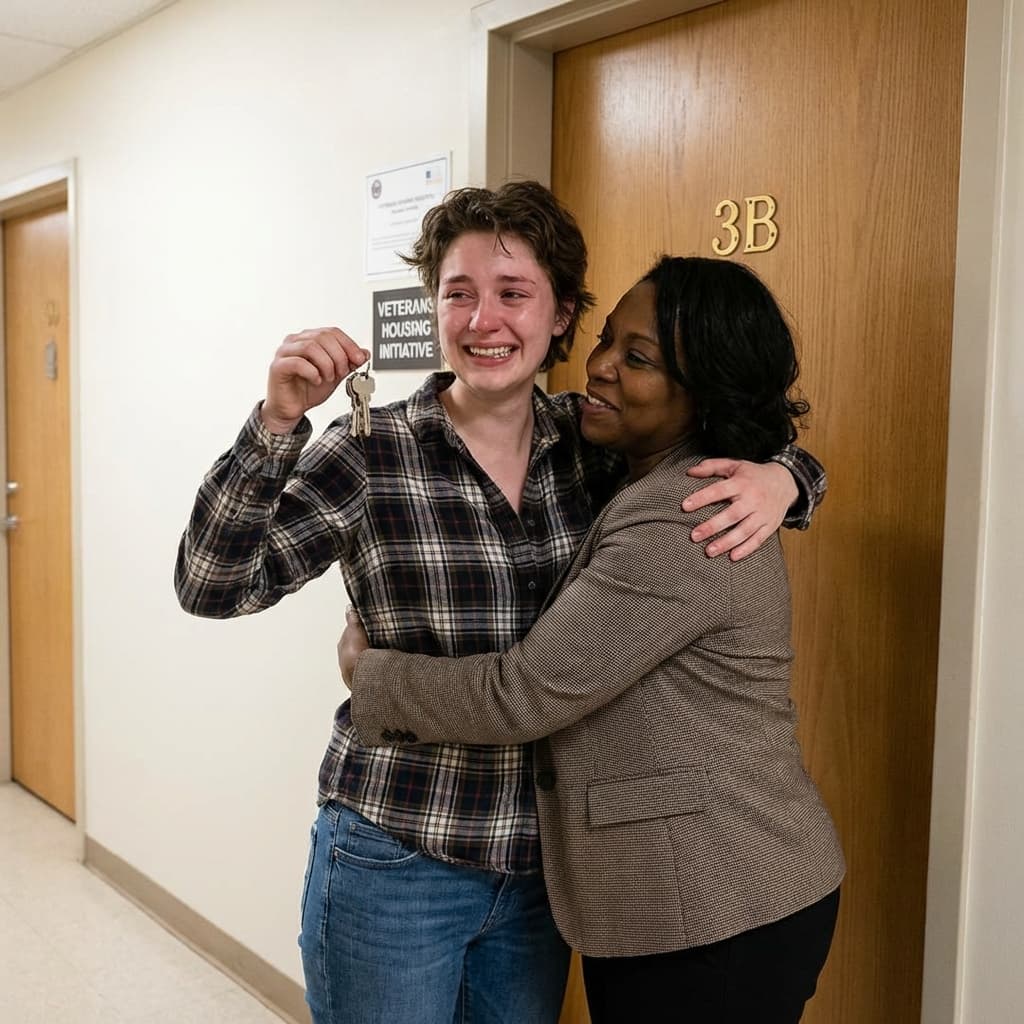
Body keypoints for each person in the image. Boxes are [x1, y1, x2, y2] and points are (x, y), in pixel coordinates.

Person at [175, 182, 827, 1024]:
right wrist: (274, 424)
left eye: (514, 294)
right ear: (435, 309)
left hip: (541, 877)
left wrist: (788, 479)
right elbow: (213, 586)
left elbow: (729, 438)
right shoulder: (371, 451)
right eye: (460, 294)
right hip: (399, 857)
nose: (485, 320)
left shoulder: (589, 446)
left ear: (559, 317)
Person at [340, 256, 845, 1024]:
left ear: (704, 393)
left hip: (718, 903)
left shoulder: (685, 515)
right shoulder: (620, 460)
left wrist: (365, 672)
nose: (600, 369)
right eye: (606, 340)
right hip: (709, 890)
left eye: (637, 359)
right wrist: (790, 475)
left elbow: (522, 693)